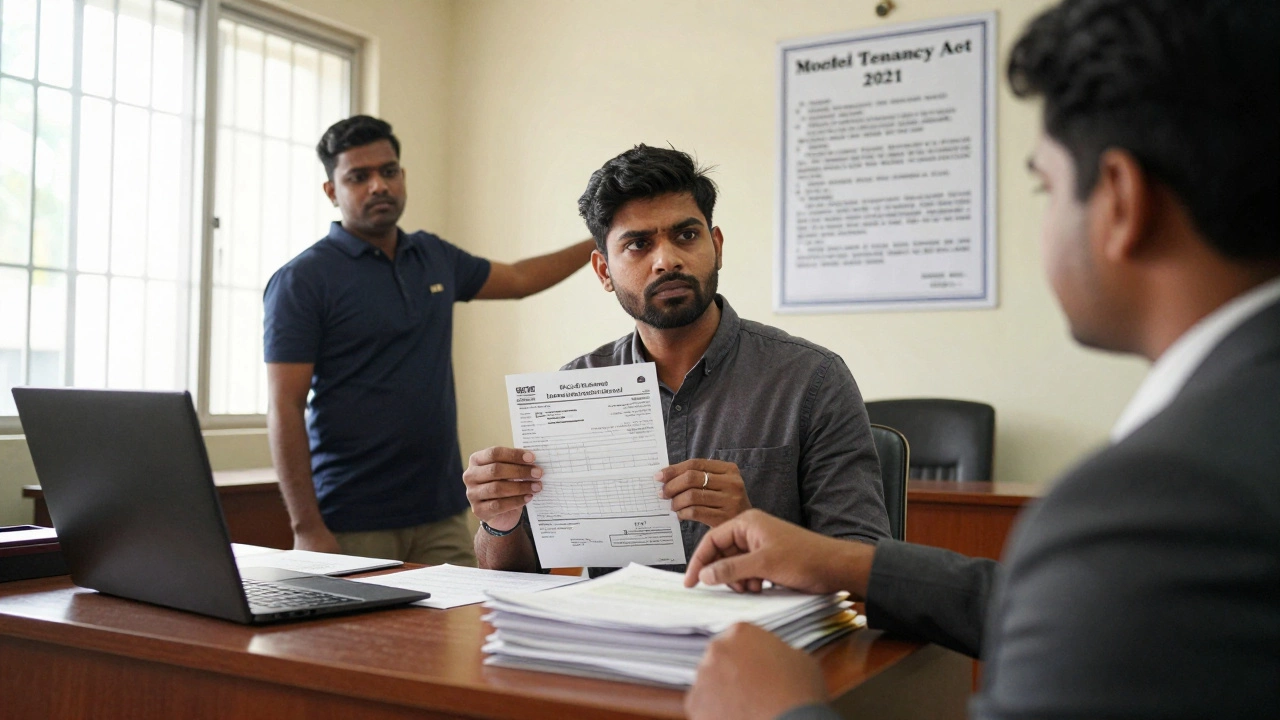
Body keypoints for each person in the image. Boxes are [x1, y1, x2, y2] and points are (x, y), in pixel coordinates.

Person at [681, 1, 1280, 718]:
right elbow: (1079, 607)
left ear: (1120, 199)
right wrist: (848, 562)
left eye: (1045, 187)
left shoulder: (1158, 499)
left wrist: (776, 713)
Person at [465, 145, 890, 574]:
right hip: (614, 635)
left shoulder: (810, 380)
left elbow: (866, 564)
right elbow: (515, 578)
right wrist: (500, 523)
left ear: (716, 246)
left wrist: (750, 524)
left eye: (686, 235)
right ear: (603, 272)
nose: (666, 260)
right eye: (637, 245)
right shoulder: (575, 387)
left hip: (754, 634)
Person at [263, 115, 595, 566]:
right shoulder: (303, 280)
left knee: (444, 634)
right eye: (358, 177)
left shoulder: (433, 256)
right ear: (331, 191)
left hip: (442, 513)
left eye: (389, 171)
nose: (378, 185)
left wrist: (604, 237)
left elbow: (518, 278)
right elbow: (285, 405)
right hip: (351, 520)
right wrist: (306, 528)